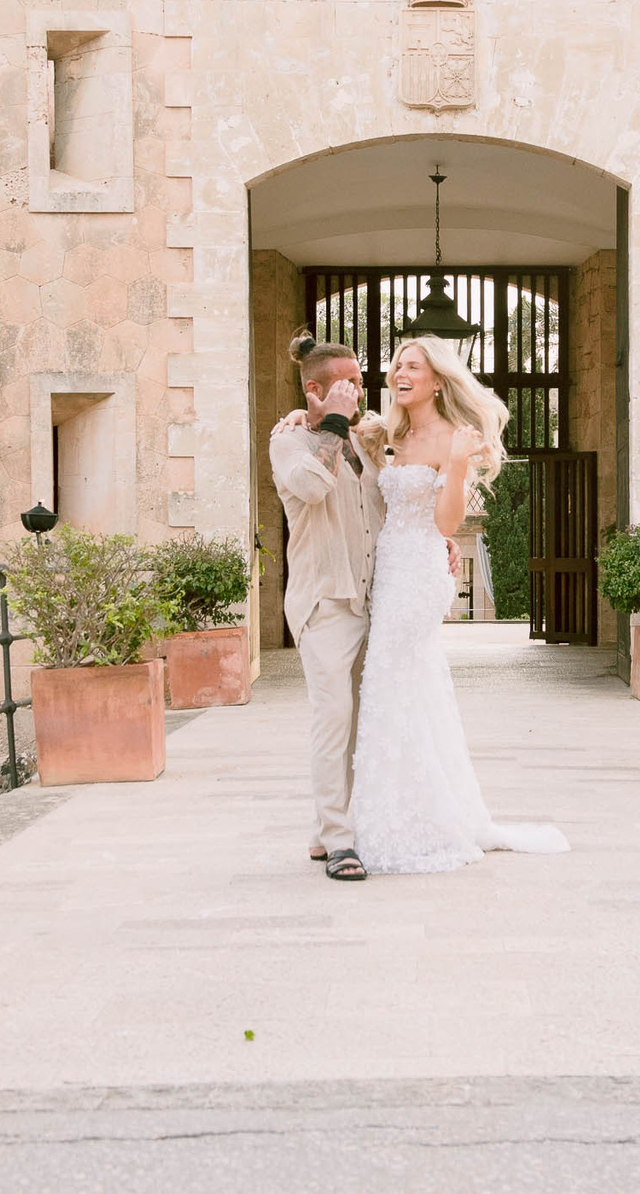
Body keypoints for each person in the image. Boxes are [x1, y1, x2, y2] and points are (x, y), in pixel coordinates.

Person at [344, 336, 567, 874]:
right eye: (398, 364)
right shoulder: (388, 433)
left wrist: (460, 465)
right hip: (389, 568)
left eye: (413, 366)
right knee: (397, 684)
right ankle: (396, 810)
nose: (401, 372)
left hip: (420, 570)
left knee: (392, 678)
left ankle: (416, 820)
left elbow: (446, 524)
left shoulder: (454, 438)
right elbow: (337, 429)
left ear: (437, 379)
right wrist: (295, 421)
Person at [266, 334, 387, 882]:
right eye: (346, 384)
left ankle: (326, 831)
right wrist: (328, 423)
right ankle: (340, 842)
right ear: (314, 389)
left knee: (363, 722)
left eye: (359, 382)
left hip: (371, 601)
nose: (357, 391)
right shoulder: (288, 442)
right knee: (333, 719)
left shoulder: (364, 442)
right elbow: (311, 488)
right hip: (324, 603)